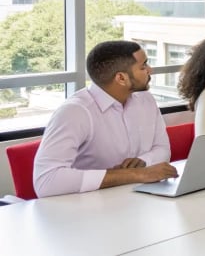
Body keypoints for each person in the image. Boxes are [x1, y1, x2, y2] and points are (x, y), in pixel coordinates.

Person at [33, 41, 178, 198]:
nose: (150, 70)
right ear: (121, 78)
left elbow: (163, 149)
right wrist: (136, 174)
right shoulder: (75, 112)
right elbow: (46, 182)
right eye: (143, 67)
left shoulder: (146, 100)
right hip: (85, 209)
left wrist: (144, 161)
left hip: (135, 200)